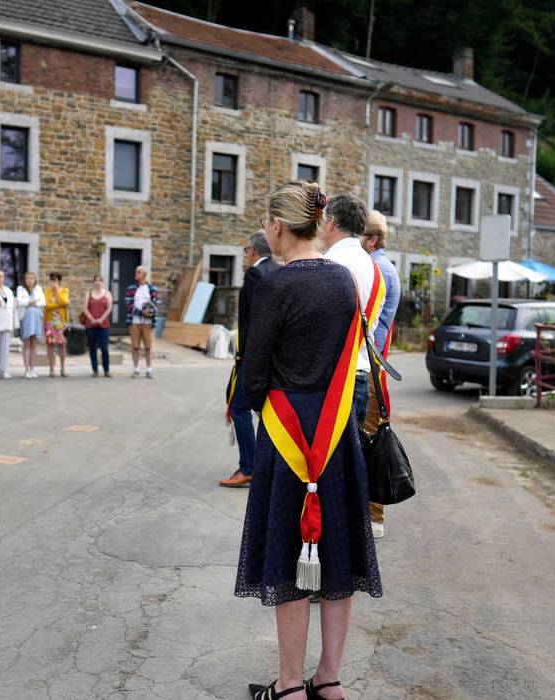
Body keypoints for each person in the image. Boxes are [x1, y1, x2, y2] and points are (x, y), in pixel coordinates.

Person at [238, 181, 381, 700]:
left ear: (277, 227)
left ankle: (290, 685)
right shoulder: (344, 280)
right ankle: (331, 678)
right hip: (337, 427)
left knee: (287, 552)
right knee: (337, 550)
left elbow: (253, 377)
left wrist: (268, 402)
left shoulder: (273, 284)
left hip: (288, 431)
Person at [219, 231, 278, 488]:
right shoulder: (276, 269)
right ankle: (262, 466)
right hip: (270, 355)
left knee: (239, 408)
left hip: (252, 356)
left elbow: (255, 320)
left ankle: (249, 467)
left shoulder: (255, 274)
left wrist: (245, 357)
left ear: (253, 251)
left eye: (246, 250)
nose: (245, 255)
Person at [320, 194, 383, 427]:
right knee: (351, 460)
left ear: (331, 222)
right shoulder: (374, 269)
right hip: (360, 375)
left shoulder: (329, 263)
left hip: (332, 380)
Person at [361, 211, 401, 539]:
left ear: (372, 239)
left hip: (373, 366)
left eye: (360, 237)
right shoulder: (383, 266)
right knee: (370, 439)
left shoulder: (379, 269)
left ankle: (374, 519)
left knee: (372, 441)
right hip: (377, 365)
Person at [125, 266, 159, 379]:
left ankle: (149, 370)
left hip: (148, 322)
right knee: (135, 347)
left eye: (138, 272)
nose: (136, 273)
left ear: (145, 274)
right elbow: (128, 305)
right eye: (136, 271)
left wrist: (151, 312)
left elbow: (157, 304)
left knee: (148, 347)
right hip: (134, 322)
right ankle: (136, 369)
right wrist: (141, 313)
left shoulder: (152, 289)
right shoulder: (131, 288)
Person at [82, 274, 113, 377]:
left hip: (104, 325)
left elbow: (109, 308)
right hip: (90, 325)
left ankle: (106, 370)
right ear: (93, 282)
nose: (97, 283)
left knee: (104, 348)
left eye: (100, 281)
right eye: (96, 281)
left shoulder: (107, 294)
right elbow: (85, 308)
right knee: (92, 348)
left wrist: (101, 319)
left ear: (102, 283)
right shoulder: (89, 294)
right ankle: (95, 370)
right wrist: (91, 319)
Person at [16, 272, 45, 378]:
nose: (30, 280)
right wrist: (30, 302)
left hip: (36, 317)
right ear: (25, 279)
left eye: (32, 278)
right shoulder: (20, 289)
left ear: (35, 279)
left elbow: (43, 302)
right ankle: (26, 369)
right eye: (28, 278)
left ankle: (32, 368)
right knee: (27, 342)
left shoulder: (38, 289)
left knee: (34, 343)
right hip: (26, 318)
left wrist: (32, 303)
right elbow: (19, 301)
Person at [43, 272, 70, 378]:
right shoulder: (47, 291)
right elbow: (46, 305)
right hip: (49, 322)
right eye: (51, 280)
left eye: (54, 280)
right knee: (50, 345)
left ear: (59, 281)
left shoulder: (65, 290)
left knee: (62, 345)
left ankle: (63, 368)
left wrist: (57, 291)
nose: (52, 282)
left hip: (60, 322)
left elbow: (64, 301)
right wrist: (58, 305)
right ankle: (51, 369)